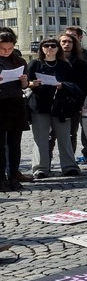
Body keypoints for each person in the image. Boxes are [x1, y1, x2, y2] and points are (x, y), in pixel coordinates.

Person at [26, 38, 80, 178]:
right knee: (40, 138)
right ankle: (41, 168)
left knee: (64, 137)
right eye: (46, 46)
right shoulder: (34, 63)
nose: (49, 48)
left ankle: (69, 167)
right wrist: (33, 84)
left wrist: (62, 85)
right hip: (39, 105)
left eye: (53, 46)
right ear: (42, 49)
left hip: (60, 106)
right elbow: (26, 83)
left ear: (58, 49)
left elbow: (74, 84)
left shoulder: (64, 65)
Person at [55, 33, 87, 163]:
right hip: (53, 103)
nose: (67, 44)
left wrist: (85, 102)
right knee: (51, 135)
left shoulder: (81, 63)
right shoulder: (52, 61)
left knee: (72, 133)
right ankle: (45, 165)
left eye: (70, 42)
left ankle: (69, 162)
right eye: (64, 41)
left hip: (74, 102)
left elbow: (85, 84)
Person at [0, 30, 29, 190]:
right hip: (0, 104)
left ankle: (13, 177)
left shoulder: (19, 61)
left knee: (14, 144)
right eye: (3, 48)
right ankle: (1, 178)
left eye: (9, 48)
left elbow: (25, 86)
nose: (6, 51)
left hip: (16, 104)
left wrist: (24, 80)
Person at [66, 25, 87, 162]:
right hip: (68, 98)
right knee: (70, 129)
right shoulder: (62, 55)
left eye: (72, 36)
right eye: (67, 36)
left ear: (80, 37)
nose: (69, 40)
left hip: (86, 97)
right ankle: (69, 155)